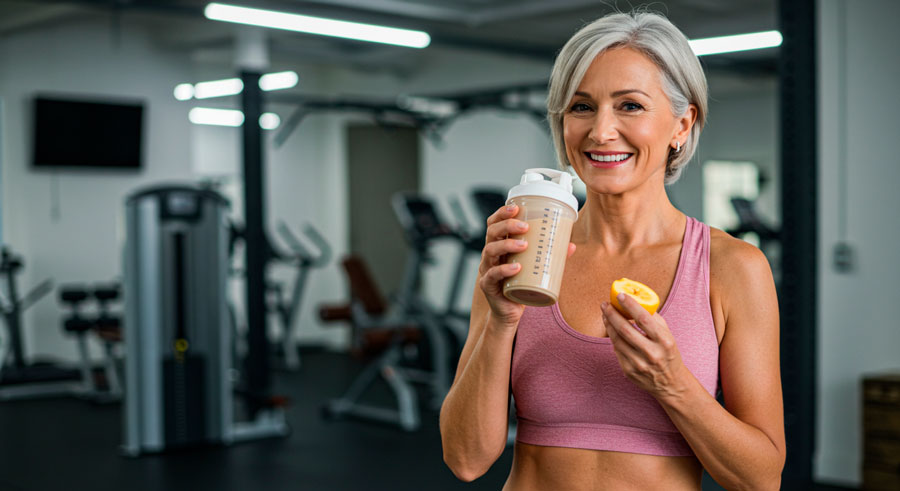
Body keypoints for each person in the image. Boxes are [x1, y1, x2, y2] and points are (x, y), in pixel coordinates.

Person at [439, 10, 785, 490]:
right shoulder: (523, 252)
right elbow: (465, 459)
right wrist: (500, 322)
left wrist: (672, 383)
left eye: (630, 106)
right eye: (581, 107)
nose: (601, 131)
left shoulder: (732, 268)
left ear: (682, 125)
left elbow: (761, 479)